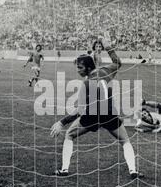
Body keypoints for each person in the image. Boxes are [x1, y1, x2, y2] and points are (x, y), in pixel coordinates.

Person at [50, 36, 143, 179]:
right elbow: (118, 62)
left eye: (80, 67)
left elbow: (80, 111)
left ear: (88, 68)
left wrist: (61, 122)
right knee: (125, 140)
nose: (77, 70)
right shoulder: (105, 71)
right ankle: (133, 171)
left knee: (69, 134)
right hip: (110, 114)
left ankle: (64, 169)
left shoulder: (86, 84)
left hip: (92, 116)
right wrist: (108, 48)